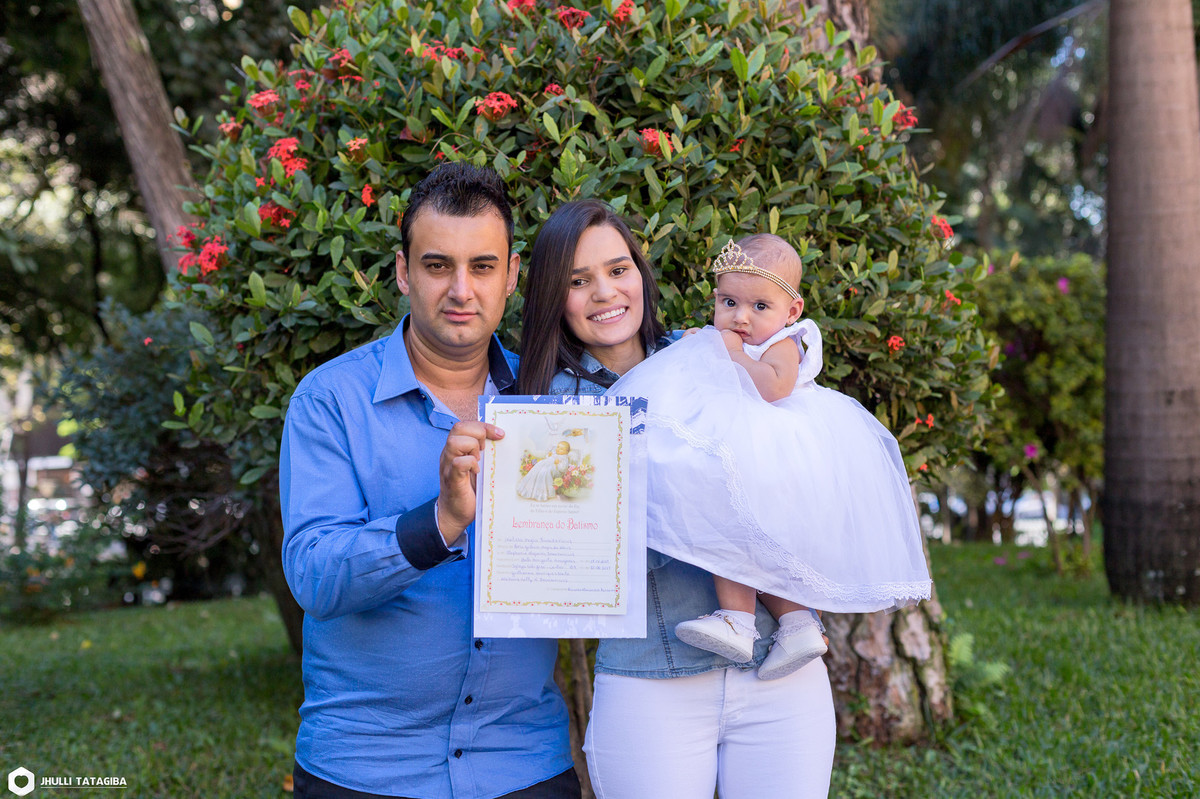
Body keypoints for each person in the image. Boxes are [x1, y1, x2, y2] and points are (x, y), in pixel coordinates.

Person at [279, 163, 580, 799]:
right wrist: (439, 522)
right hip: (367, 768)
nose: (461, 290)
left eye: (482, 267)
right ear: (403, 271)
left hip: (522, 762)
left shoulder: (555, 405)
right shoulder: (331, 400)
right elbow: (313, 575)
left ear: (512, 275)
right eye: (438, 265)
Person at [518, 200, 836, 799]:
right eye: (578, 281)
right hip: (650, 677)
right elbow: (561, 560)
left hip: (778, 671)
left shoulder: (710, 354)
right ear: (553, 297)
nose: (605, 292)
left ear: (641, 273)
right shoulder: (547, 412)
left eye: (619, 270)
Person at [607, 234, 932, 680]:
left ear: (791, 311)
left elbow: (773, 387)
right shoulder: (726, 337)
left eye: (759, 306)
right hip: (744, 450)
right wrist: (698, 344)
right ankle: (799, 627)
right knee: (750, 540)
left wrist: (731, 355)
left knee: (734, 532)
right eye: (729, 302)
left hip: (774, 453)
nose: (740, 317)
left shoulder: (784, 342)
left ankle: (738, 622)